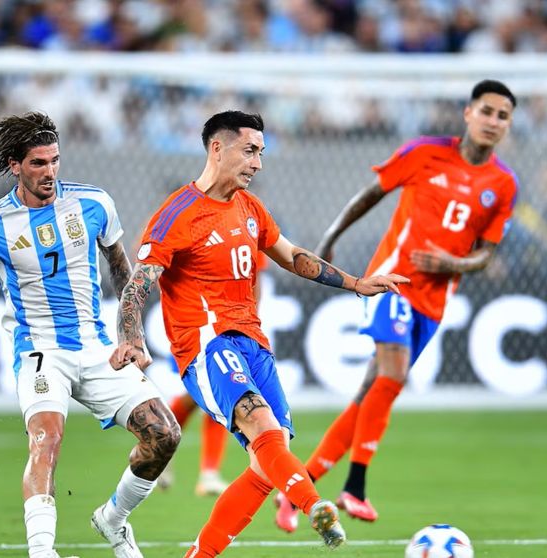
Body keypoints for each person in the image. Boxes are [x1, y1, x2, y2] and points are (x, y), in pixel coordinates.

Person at [111, 110, 407, 557]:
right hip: (207, 342)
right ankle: (312, 505)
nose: (258, 163)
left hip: (254, 344)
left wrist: (356, 283)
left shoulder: (250, 208)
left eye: (261, 153)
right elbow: (139, 282)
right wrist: (131, 337)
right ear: (217, 148)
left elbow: (292, 255)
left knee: (268, 460)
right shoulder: (178, 213)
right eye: (249, 151)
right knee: (260, 424)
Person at [0, 112, 180, 558]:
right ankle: (42, 552)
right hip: (40, 349)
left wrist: (131, 335)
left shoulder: (94, 204)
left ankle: (113, 520)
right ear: (14, 165)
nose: (49, 172)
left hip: (97, 345)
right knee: (47, 440)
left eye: (55, 160)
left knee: (164, 435)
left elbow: (124, 272)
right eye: (38, 163)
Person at [275, 79, 521, 531]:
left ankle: (296, 490)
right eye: (486, 111)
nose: (493, 121)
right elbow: (369, 196)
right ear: (468, 113)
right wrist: (329, 240)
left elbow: (487, 253)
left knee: (371, 395)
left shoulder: (503, 185)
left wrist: (454, 262)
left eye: (503, 116)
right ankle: (355, 486)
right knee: (393, 373)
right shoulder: (425, 152)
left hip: (435, 298)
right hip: (391, 281)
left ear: (508, 126)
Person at [159, 252, 271, 497]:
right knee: (196, 396)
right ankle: (160, 445)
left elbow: (254, 276)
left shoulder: (248, 219)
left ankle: (209, 473)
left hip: (233, 326)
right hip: (195, 325)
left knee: (228, 392)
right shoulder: (178, 219)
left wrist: (251, 320)